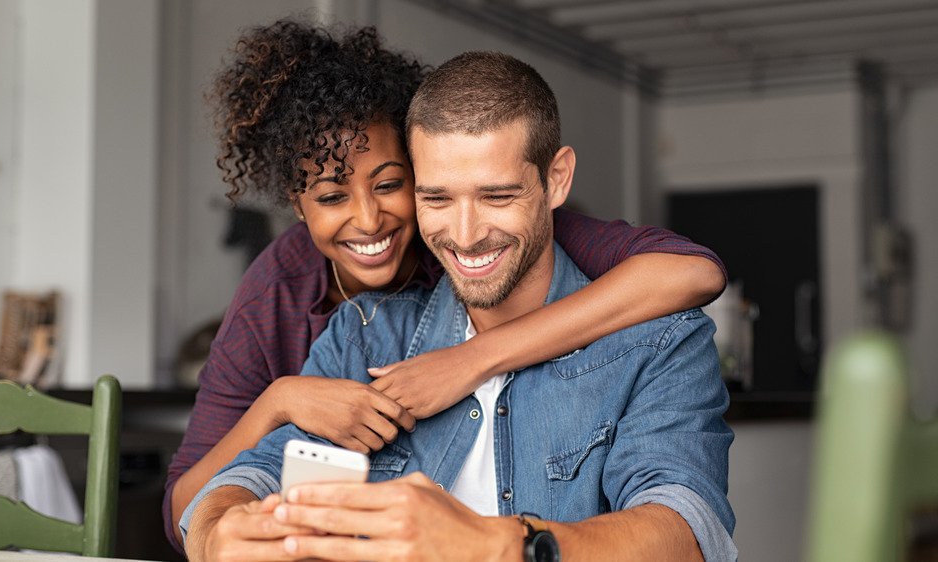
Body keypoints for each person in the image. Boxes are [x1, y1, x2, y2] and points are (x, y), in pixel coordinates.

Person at [165, 21, 729, 554]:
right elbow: (242, 479)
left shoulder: (660, 343)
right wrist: (220, 531)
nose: (465, 235)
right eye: (437, 198)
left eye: (498, 196)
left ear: (556, 180)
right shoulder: (361, 331)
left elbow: (685, 531)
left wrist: (492, 544)